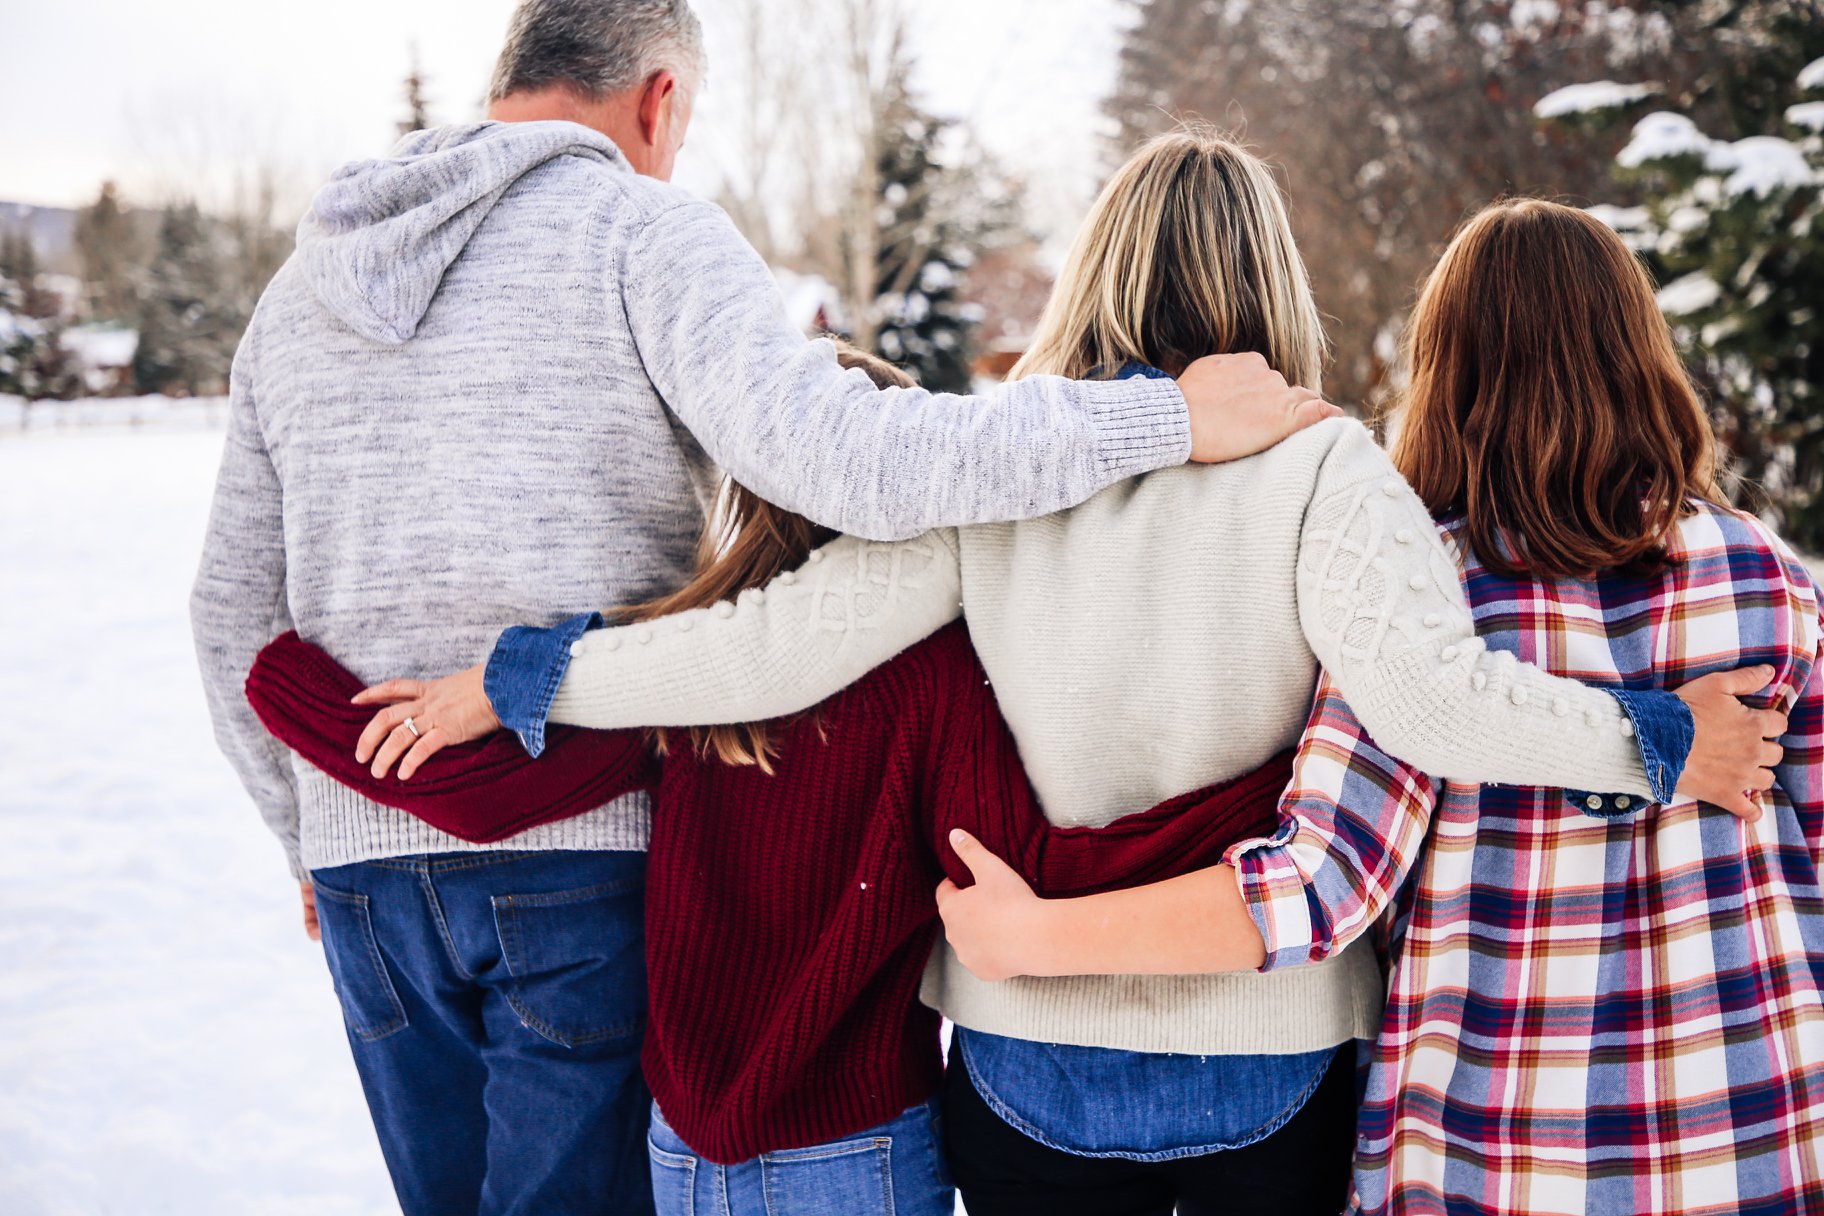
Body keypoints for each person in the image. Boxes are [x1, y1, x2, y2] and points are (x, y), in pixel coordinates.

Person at [355, 134, 1783, 1215]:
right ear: (1268, 282)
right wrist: (1656, 743)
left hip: (1027, 1063)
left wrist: (536, 676)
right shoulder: (1323, 467)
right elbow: (1428, 703)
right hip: (1269, 1068)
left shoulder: (1014, 466)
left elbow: (772, 648)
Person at [186, 1, 1335, 1210]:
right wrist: (1165, 417)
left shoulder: (301, 293)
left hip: (363, 870)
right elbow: (854, 460)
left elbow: (226, 614)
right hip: (574, 863)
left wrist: (299, 837)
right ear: (658, 98)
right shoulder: (640, 232)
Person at [253, 345, 1313, 1216]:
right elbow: (1035, 864)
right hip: (856, 1140)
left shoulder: (662, 671)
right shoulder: (938, 679)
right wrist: (1273, 787)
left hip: (684, 1149)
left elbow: (487, 790)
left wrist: (292, 687)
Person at [936, 199, 1824, 1215]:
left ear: (1446, 375)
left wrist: (1033, 940)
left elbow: (1319, 885)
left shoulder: (1425, 594)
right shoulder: (1766, 580)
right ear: (1640, 351)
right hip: (1760, 1127)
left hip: (1499, 1150)